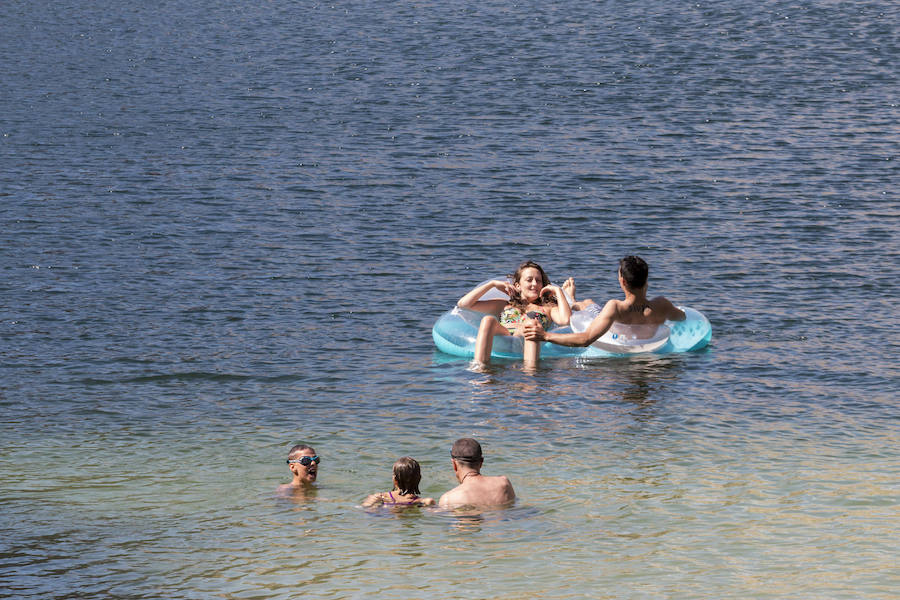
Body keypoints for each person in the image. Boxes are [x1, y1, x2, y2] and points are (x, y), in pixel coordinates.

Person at [524, 255, 685, 347]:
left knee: (588, 304)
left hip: (612, 331)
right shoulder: (662, 305)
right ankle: (572, 300)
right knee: (588, 303)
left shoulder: (615, 307)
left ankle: (572, 300)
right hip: (648, 337)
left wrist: (545, 335)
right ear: (646, 280)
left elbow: (585, 339)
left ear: (622, 281)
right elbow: (683, 318)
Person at [456, 260, 571, 365]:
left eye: (538, 280)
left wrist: (558, 291)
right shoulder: (504, 305)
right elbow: (464, 304)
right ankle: (480, 368)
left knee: (531, 324)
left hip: (528, 342)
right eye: (529, 280)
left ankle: (530, 375)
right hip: (504, 338)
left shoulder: (548, 308)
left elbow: (566, 320)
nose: (535, 284)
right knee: (488, 320)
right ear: (518, 285)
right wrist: (492, 284)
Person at [438, 438, 516, 509]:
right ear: (481, 462)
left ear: (454, 464)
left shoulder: (449, 499)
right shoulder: (504, 483)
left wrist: (430, 507)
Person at [362, 456, 436, 508]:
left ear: (395, 479)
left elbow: (365, 508)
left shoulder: (381, 497)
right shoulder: (423, 502)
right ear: (419, 479)